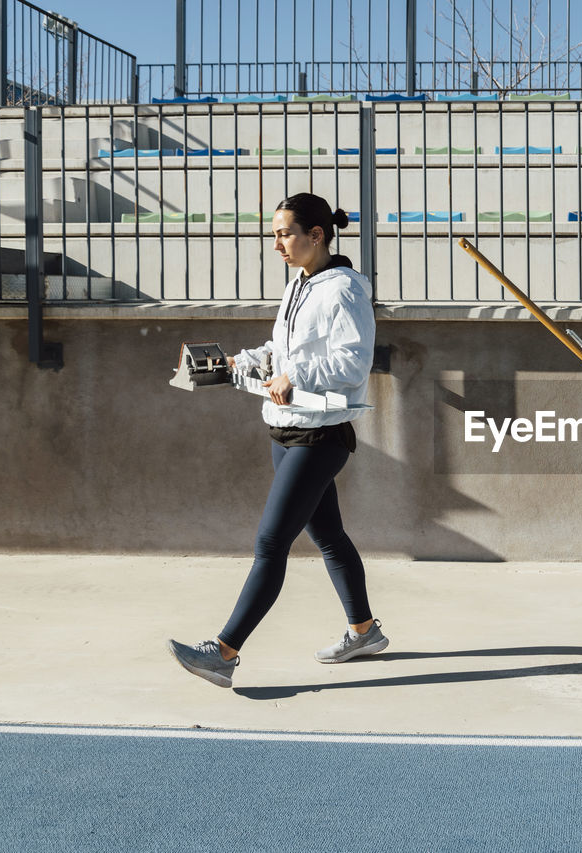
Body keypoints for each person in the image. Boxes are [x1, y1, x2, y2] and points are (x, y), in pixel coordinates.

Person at [167, 193, 386, 688]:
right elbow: (282, 349)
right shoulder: (299, 284)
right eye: (275, 235)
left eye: (285, 233)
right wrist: (239, 363)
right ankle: (364, 630)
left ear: (317, 235)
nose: (277, 244)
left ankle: (223, 653)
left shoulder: (346, 290)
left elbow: (353, 362)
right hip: (285, 429)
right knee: (327, 534)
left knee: (271, 542)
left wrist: (296, 372)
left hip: (320, 433)